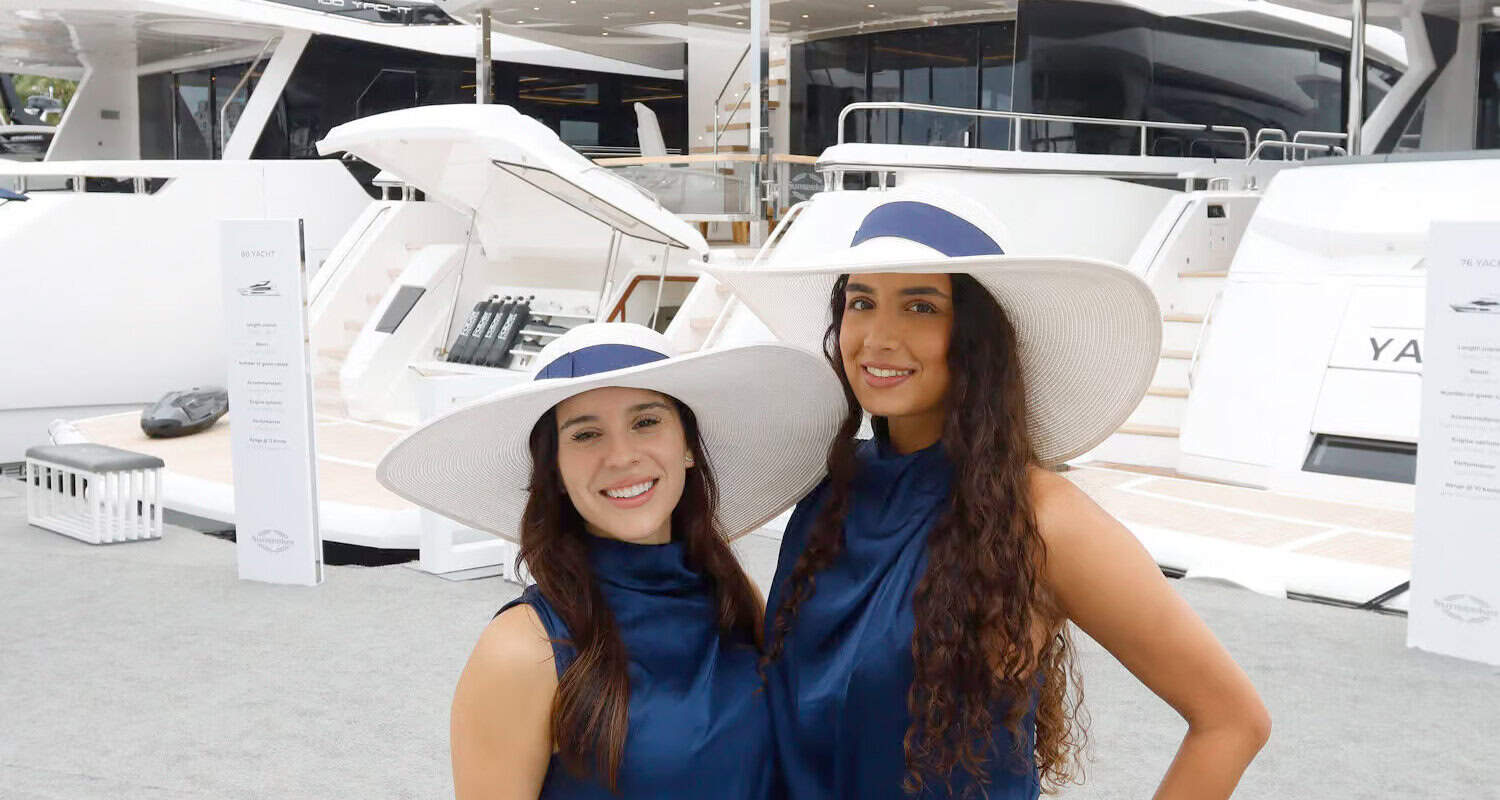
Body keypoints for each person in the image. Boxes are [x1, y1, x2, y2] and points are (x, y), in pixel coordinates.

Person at [708, 194, 1272, 799]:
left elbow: (1232, 721)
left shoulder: (1046, 519)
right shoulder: (830, 494)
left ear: (977, 336)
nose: (877, 337)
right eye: (861, 302)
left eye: (921, 306)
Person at [375, 322, 846, 800]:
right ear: (554, 470)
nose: (621, 456)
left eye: (646, 422)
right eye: (586, 435)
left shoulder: (731, 591)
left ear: (686, 445)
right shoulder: (522, 649)